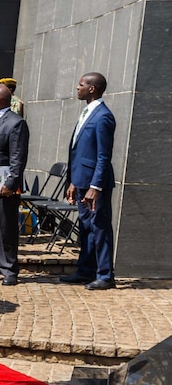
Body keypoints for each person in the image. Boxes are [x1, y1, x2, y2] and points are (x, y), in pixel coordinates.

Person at [60, 72, 116, 290]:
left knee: (100, 228)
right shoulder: (86, 112)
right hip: (81, 180)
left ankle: (105, 275)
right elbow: (79, 151)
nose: (77, 88)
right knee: (85, 227)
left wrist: (95, 186)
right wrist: (74, 181)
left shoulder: (103, 116)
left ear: (92, 89)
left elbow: (103, 155)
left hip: (95, 184)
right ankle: (85, 271)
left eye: (81, 85)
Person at [0, 84, 29, 285]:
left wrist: (11, 183)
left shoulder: (15, 123)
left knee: (6, 228)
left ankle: (9, 270)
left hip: (4, 183)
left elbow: (17, 157)